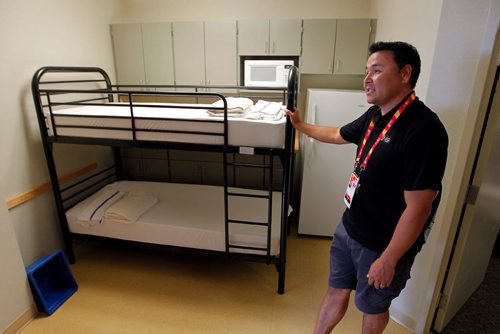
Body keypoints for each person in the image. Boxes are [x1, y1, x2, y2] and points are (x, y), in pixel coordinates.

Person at [286, 41, 448, 334]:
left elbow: (420, 207)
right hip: (349, 228)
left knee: (372, 307)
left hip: (382, 245)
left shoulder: (424, 129)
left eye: (377, 70)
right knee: (336, 291)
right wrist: (300, 125)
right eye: (366, 71)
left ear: (404, 73)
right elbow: (336, 134)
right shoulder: (374, 116)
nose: (367, 78)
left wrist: (389, 258)